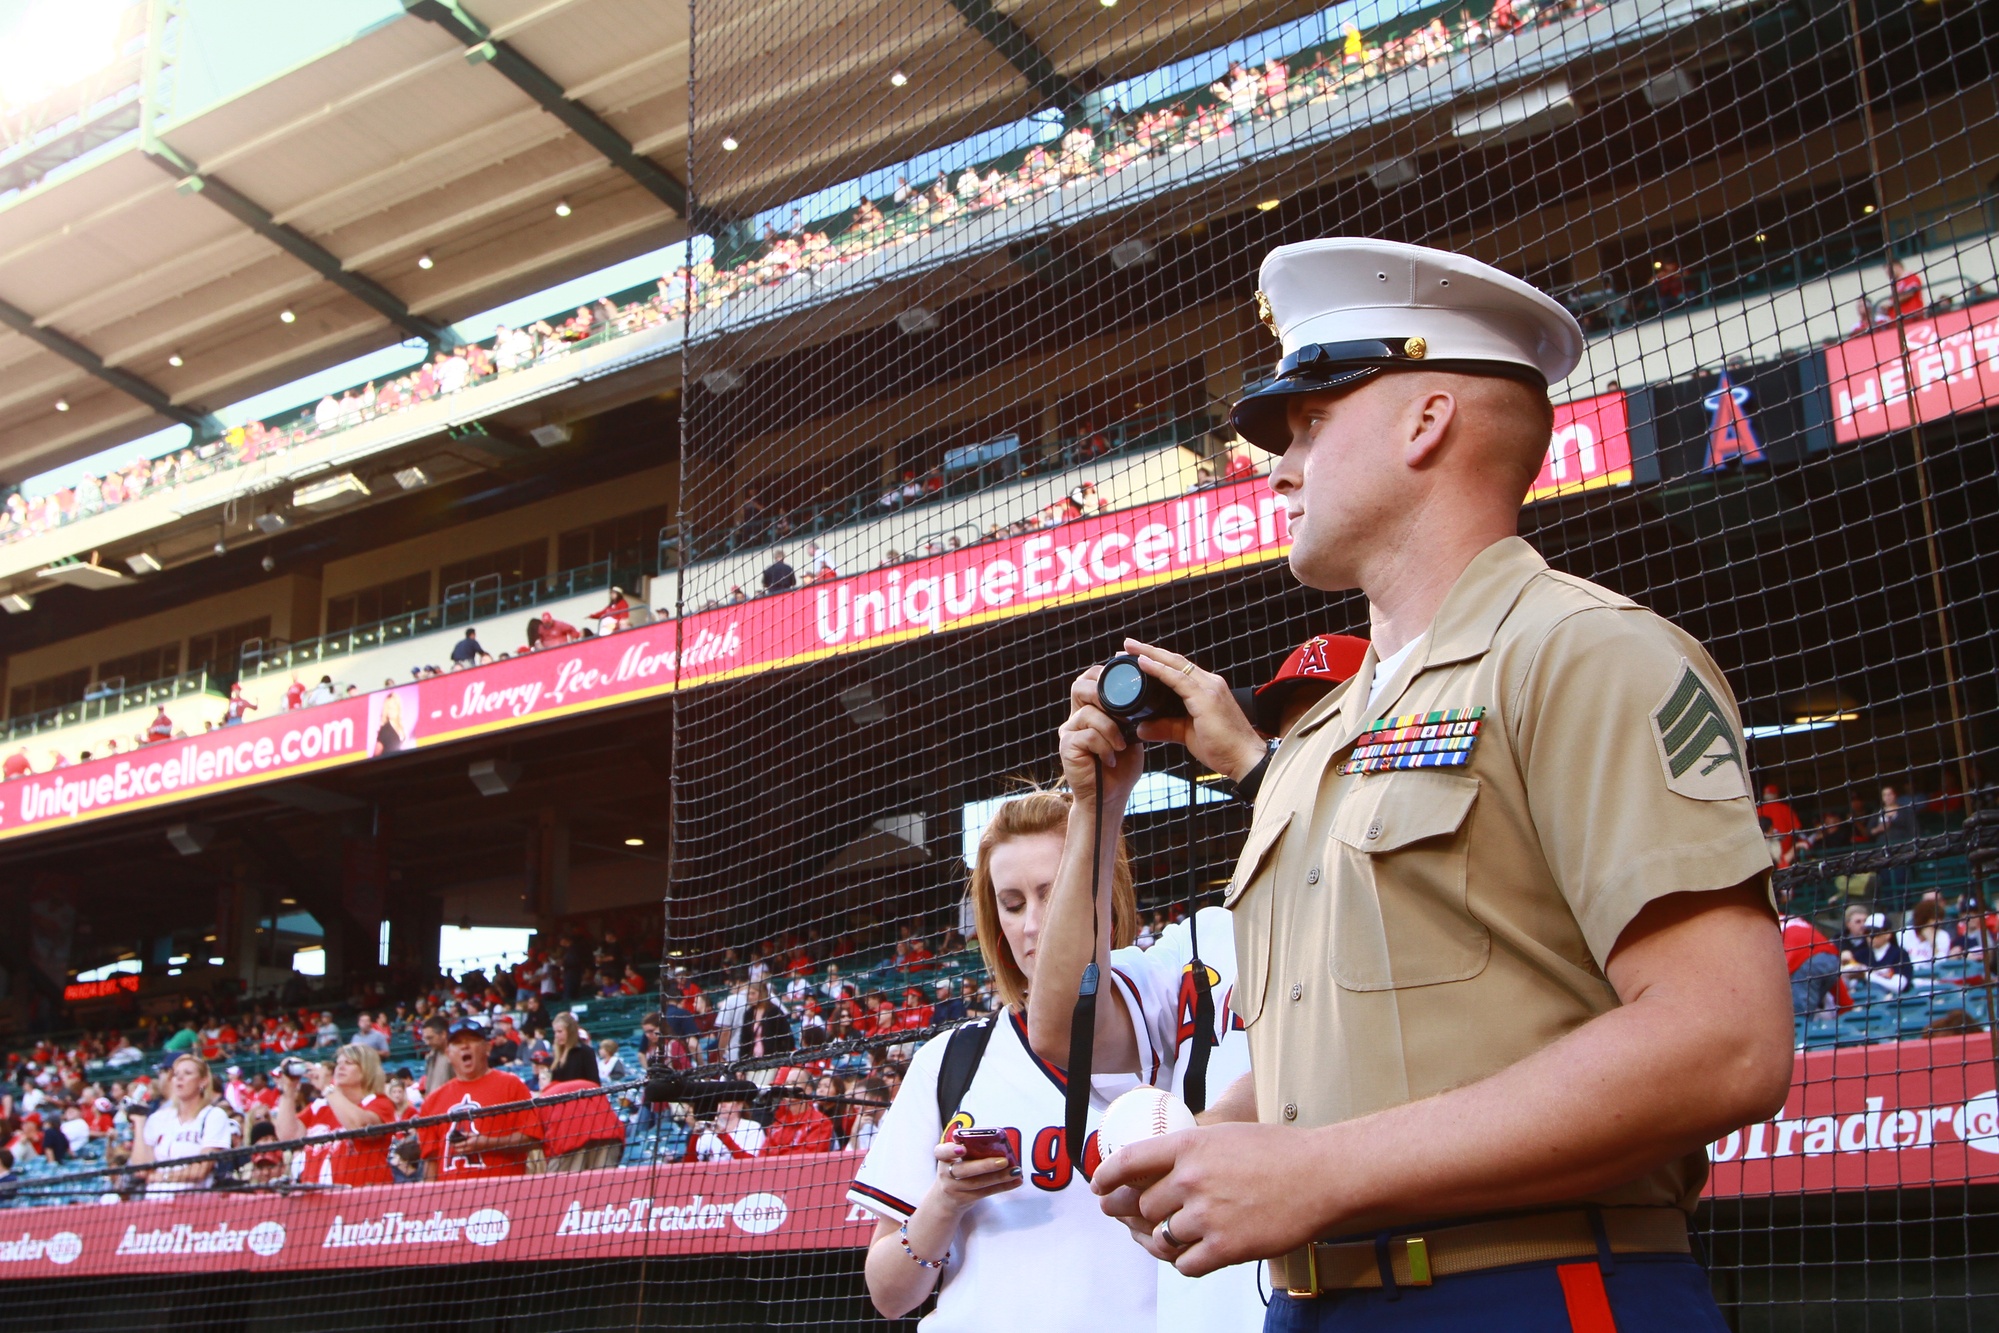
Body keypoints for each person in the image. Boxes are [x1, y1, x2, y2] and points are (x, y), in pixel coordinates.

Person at [1082, 238, 1791, 1329]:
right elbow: (1349, 1044)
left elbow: (1724, 1041)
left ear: (1425, 422)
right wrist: (1213, 1146)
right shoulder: (1321, 732)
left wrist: (1322, 1172)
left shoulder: (1582, 651)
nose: (1274, 464)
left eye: (1308, 422)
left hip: (1539, 1286)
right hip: (1317, 1301)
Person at [1036, 631, 1367, 1331]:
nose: (1302, 756)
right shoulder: (1208, 933)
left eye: (1332, 727)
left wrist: (1255, 770)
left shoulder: (1425, 902)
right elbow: (1061, 1027)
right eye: (1287, 735)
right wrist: (1096, 802)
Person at [849, 789, 1158, 1329]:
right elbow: (888, 1294)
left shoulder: (1183, 1037)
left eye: (1054, 894)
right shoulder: (951, 1060)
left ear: (1107, 896)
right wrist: (945, 1201)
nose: (1034, 924)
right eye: (1012, 904)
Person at [416, 1016, 542, 1179]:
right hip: (450, 1199)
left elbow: (533, 1139)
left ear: (487, 1048)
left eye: (472, 1040)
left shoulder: (511, 1085)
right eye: (458, 1043)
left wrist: (487, 1143)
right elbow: (430, 1160)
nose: (465, 1046)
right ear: (448, 1053)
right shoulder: (433, 1101)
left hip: (502, 1195)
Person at [274, 1046, 394, 1186]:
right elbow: (288, 1136)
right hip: (317, 1199)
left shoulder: (379, 1102)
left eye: (348, 1063)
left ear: (367, 1069)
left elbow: (359, 1127)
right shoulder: (320, 1107)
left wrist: (327, 1087)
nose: (340, 1067)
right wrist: (288, 1091)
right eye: (338, 1063)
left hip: (362, 1195)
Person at [130, 1054, 235, 1192]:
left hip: (194, 1201)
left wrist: (161, 1176)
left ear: (203, 1081)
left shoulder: (213, 1115)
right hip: (154, 1202)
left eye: (187, 1073)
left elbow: (199, 1170)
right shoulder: (158, 1118)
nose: (179, 1078)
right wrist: (139, 1122)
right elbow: (141, 1171)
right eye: (176, 1074)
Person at [687, 1083, 765, 1161]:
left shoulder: (752, 1127)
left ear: (740, 1105)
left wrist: (723, 1135)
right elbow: (688, 1166)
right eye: (719, 1101)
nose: (723, 1104)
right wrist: (695, 1136)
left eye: (728, 1100)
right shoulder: (706, 1129)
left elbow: (752, 1163)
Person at [549, 1011, 599, 1084]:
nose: (556, 1036)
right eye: (555, 1032)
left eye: (560, 1032)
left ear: (570, 1031)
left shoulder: (585, 1052)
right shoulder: (556, 1054)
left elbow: (594, 1083)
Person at [418, 1014, 452, 1096]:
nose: (427, 1043)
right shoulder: (431, 1057)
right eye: (425, 1039)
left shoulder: (455, 1056)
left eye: (430, 1038)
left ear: (443, 1034)